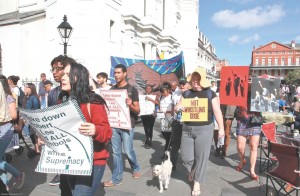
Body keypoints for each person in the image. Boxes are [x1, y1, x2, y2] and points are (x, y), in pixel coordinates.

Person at [54, 61, 112, 196]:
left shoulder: (93, 101)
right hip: (70, 160)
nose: (62, 77)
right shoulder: (62, 100)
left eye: (68, 74)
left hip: (92, 161)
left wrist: (95, 130)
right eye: (63, 74)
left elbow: (107, 132)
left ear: (78, 78)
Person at [174, 68, 224, 196]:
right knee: (185, 157)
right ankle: (192, 172)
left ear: (203, 80)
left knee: (201, 157)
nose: (195, 82)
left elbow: (218, 112)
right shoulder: (186, 94)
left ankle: (197, 182)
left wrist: (221, 129)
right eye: (193, 80)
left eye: (198, 80)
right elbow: (176, 108)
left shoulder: (210, 94)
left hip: (205, 129)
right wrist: (179, 107)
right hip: (187, 129)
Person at [103, 64, 141, 187]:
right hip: (114, 125)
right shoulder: (111, 90)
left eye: (119, 73)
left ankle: (135, 167)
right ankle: (116, 178)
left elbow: (138, 110)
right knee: (116, 152)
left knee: (128, 151)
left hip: (127, 125)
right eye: (115, 73)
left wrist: (130, 104)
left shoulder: (131, 90)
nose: (116, 75)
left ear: (125, 74)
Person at [46, 55, 76, 195]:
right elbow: (50, 117)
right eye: (53, 69)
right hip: (62, 146)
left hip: (78, 148)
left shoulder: (80, 92)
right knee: (64, 188)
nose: (54, 72)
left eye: (58, 68)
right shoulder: (54, 93)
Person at [0, 75, 25, 191]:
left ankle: (18, 175)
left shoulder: (8, 97)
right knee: (1, 160)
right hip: (2, 131)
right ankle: (5, 186)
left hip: (6, 130)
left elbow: (14, 115)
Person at [235, 88, 261, 182]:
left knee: (253, 146)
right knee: (240, 147)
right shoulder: (240, 90)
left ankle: (252, 170)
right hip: (242, 121)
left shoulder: (259, 90)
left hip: (255, 120)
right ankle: (242, 161)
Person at [170, 78, 188, 171]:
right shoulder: (175, 94)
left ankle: (188, 163)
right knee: (175, 144)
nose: (182, 85)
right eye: (180, 83)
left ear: (187, 84)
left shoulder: (191, 94)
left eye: (183, 83)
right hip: (177, 122)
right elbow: (173, 107)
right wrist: (172, 118)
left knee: (186, 145)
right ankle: (173, 164)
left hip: (188, 123)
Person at [23, 83, 40, 154]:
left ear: (31, 88)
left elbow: (36, 109)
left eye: (26, 87)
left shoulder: (33, 97)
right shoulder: (27, 97)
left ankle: (37, 149)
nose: (24, 88)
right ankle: (37, 147)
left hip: (33, 119)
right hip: (29, 119)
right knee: (32, 134)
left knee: (32, 133)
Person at [158, 82, 173, 159]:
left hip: (170, 120)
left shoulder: (172, 97)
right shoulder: (160, 97)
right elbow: (159, 106)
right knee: (165, 135)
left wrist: (166, 112)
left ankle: (166, 152)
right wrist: (158, 111)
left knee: (169, 137)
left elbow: (174, 110)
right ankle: (169, 148)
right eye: (161, 92)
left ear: (168, 90)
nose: (162, 93)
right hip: (162, 120)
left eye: (163, 92)